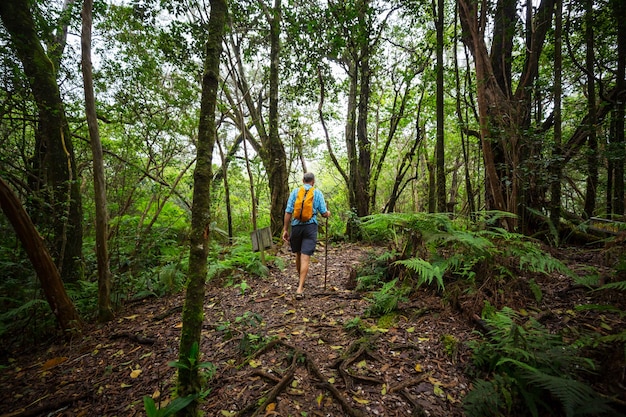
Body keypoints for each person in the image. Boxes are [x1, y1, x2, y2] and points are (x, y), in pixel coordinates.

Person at [282, 172, 330, 299]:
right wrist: (328, 214)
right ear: (313, 182)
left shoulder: (295, 192)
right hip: (310, 227)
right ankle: (300, 288)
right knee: (305, 257)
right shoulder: (317, 193)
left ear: (303, 180)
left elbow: (288, 212)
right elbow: (324, 213)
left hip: (296, 227)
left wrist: (285, 229)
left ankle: (300, 281)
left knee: (298, 254)